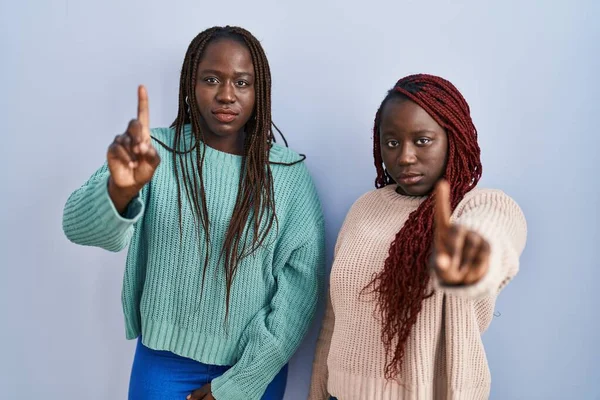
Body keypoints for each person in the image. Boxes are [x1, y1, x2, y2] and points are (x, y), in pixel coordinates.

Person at [62, 25, 325, 400]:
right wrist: (121, 190)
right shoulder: (152, 153)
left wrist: (241, 383)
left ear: (259, 91)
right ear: (190, 84)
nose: (226, 95)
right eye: (211, 79)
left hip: (252, 368)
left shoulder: (285, 175)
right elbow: (77, 226)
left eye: (242, 82)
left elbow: (300, 291)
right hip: (163, 363)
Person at [309, 74, 527, 400]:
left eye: (422, 140)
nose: (405, 157)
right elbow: (334, 318)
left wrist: (469, 258)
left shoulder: (482, 205)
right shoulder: (365, 208)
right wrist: (317, 392)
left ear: (453, 138)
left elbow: (492, 238)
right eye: (392, 142)